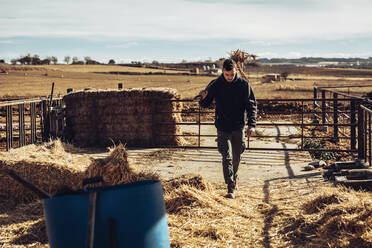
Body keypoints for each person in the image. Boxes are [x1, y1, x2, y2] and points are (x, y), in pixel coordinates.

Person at [199, 59, 257, 198]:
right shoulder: (215, 84)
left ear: (236, 71)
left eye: (232, 74)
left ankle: (234, 176)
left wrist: (252, 125)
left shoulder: (244, 85)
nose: (230, 77)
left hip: (238, 125)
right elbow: (205, 104)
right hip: (223, 126)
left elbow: (251, 106)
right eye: (227, 75)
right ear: (222, 72)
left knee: (237, 155)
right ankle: (231, 185)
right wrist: (203, 98)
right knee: (226, 155)